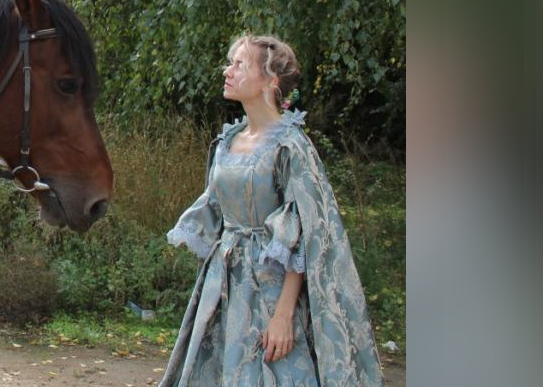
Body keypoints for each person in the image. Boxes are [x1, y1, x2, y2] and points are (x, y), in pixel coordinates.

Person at [158, 35, 383, 386]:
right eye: (230, 62)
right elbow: (216, 213)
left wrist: (283, 315)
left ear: (271, 80)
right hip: (225, 286)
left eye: (239, 64)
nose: (228, 70)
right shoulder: (227, 142)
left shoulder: (290, 145)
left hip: (272, 290)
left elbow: (305, 231)